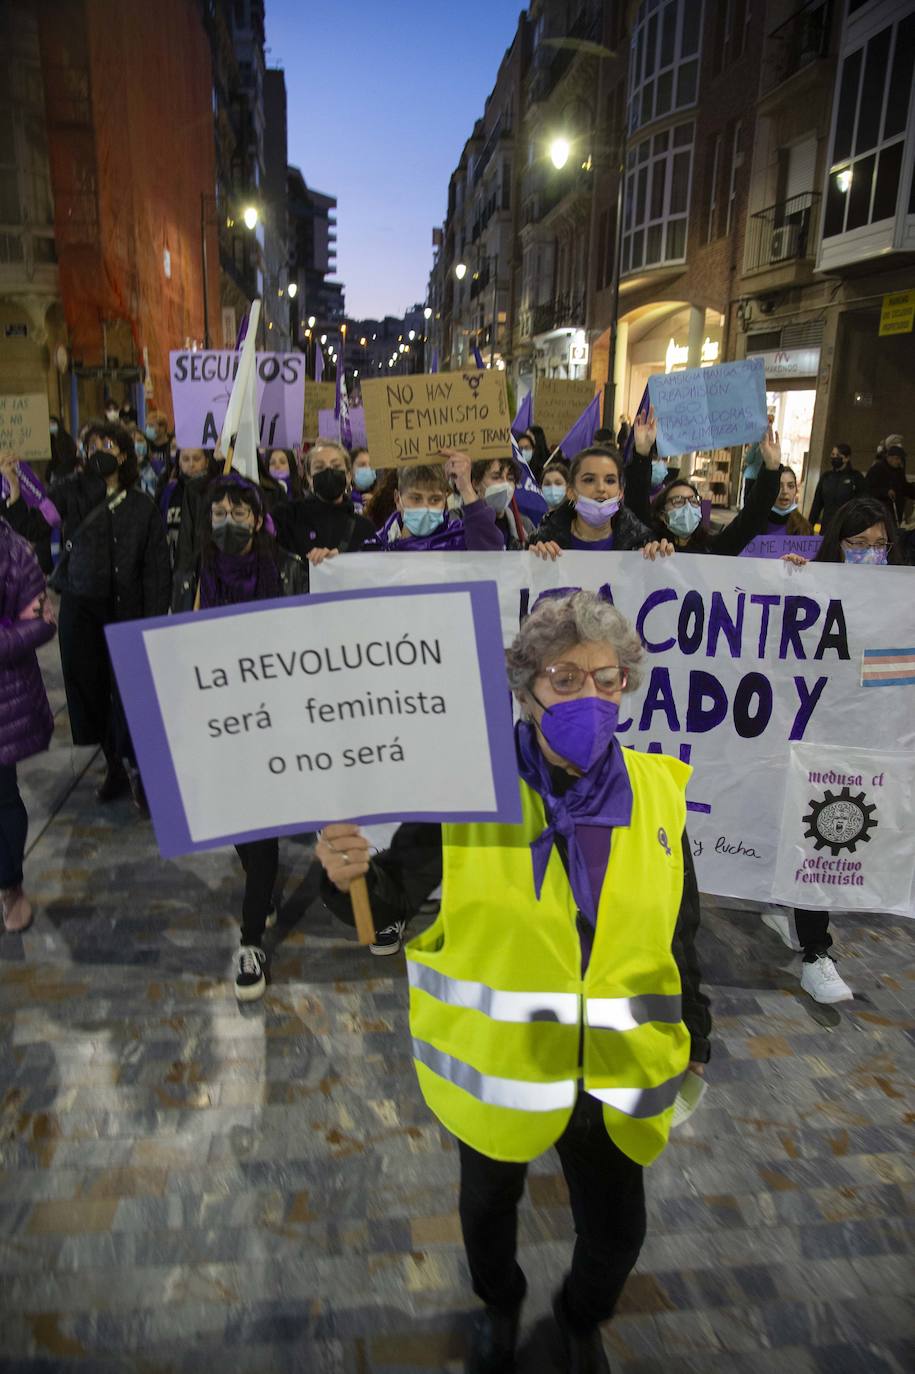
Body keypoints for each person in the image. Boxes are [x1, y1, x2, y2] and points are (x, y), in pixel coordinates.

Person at [316, 590, 711, 1374]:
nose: (589, 698)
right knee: (487, 1212)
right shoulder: (467, 792)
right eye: (565, 679)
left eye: (606, 680)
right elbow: (387, 912)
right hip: (501, 1071)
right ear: (526, 689)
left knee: (617, 1232)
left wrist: (695, 1035)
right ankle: (498, 1305)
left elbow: (677, 929)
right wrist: (344, 880)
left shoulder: (657, 793)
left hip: (614, 1071)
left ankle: (577, 1320)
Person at [762, 496, 906, 1003]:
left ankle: (787, 908)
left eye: (880, 545)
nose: (871, 554)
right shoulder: (815, 589)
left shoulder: (899, 599)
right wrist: (794, 584)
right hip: (812, 734)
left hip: (867, 738)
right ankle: (816, 953)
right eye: (858, 544)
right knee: (820, 834)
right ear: (836, 546)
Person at [172, 476, 306, 999]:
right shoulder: (193, 577)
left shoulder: (289, 569)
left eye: (239, 511)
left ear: (257, 517)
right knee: (237, 820)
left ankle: (251, 940)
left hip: (273, 714)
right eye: (219, 512)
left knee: (259, 822)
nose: (229, 521)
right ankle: (260, 881)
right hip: (216, 718)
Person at [50, 421, 171, 809]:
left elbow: (155, 568)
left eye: (108, 444)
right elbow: (33, 520)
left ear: (124, 453)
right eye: (93, 444)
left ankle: (141, 770)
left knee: (131, 694)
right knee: (91, 690)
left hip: (127, 610)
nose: (99, 450)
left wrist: (153, 618)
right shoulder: (72, 493)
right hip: (81, 608)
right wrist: (15, 484)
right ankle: (113, 765)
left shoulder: (142, 505)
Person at [0, 518, 56, 934]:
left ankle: (9, 884)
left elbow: (42, 622)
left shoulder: (15, 552)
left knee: (2, 796)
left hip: (5, 697)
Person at [637, 416, 782, 555]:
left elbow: (751, 519)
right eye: (678, 501)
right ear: (662, 514)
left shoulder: (713, 548)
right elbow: (637, 504)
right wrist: (641, 454)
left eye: (694, 501)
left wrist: (771, 469)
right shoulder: (650, 546)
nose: (688, 507)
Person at [528, 446, 671, 560]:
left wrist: (661, 562)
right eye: (589, 480)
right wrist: (536, 566)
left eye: (610, 481)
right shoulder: (543, 542)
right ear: (571, 492)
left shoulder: (640, 544)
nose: (601, 488)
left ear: (620, 492)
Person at [372, 456, 505, 553]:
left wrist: (466, 488)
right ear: (397, 499)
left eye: (435, 500)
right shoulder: (376, 546)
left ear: (445, 500)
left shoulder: (459, 538)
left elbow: (492, 550)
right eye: (416, 499)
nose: (426, 507)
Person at [273, 440, 375, 562]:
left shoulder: (364, 528)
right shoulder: (287, 516)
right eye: (319, 467)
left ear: (348, 475)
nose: (328, 471)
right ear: (309, 478)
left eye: (336, 466)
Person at [158, 448, 216, 572]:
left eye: (196, 458)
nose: (191, 464)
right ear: (178, 462)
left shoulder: (215, 492)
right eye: (185, 459)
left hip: (204, 565)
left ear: (207, 461)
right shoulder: (169, 491)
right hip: (173, 566)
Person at [471, 456, 532, 549]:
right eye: (496, 477)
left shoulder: (524, 525)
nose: (505, 484)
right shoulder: (457, 521)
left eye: (510, 478)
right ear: (476, 484)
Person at [808, 444, 865, 529]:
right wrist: (809, 525)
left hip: (846, 527)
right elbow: (817, 504)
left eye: (838, 455)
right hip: (827, 526)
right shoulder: (826, 477)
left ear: (847, 458)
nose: (834, 457)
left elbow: (862, 503)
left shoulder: (856, 477)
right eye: (832, 455)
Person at [865, 443, 914, 526]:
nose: (899, 462)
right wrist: (885, 492)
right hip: (880, 514)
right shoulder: (877, 469)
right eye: (897, 458)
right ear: (889, 457)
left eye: (901, 459)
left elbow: (904, 488)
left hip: (895, 515)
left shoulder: (899, 471)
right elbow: (867, 490)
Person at [765, 466, 813, 536]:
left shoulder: (805, 528)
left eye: (790, 486)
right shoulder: (754, 525)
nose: (785, 491)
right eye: (778, 486)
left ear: (796, 490)